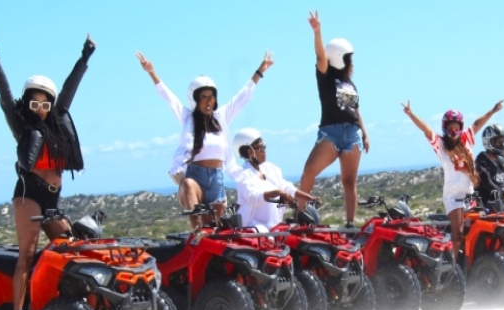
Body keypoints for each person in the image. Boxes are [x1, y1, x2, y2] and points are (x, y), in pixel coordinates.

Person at [0, 29, 95, 310]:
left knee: (70, 247)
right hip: (28, 195)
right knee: (27, 254)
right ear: (28, 104)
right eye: (35, 105)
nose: (41, 111)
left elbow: (71, 87)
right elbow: (5, 96)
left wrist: (85, 56)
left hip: (53, 201)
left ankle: (60, 303)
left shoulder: (58, 125)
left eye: (46, 105)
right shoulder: (22, 127)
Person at [136, 50, 273, 229]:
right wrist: (152, 72)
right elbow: (169, 97)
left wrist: (260, 70)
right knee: (189, 191)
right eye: (204, 97)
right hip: (196, 176)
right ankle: (196, 231)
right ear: (195, 99)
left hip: (216, 178)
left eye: (212, 97)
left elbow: (243, 96)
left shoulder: (221, 117)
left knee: (214, 230)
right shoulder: (187, 118)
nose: (209, 101)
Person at [401, 99, 504, 255]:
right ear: (445, 127)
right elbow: (426, 129)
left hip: (470, 197)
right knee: (458, 234)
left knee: (478, 230)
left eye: (457, 127)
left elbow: (477, 124)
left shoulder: (466, 141)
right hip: (453, 197)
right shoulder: (441, 145)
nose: (454, 131)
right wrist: (411, 114)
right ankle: (453, 268)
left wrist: (493, 110)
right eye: (451, 127)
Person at [298, 10, 369, 228]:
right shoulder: (327, 76)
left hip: (353, 134)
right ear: (340, 58)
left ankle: (349, 225)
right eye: (350, 59)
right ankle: (300, 218)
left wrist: (365, 134)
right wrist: (317, 32)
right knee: (309, 171)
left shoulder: (350, 83)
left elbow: (355, 109)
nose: (353, 63)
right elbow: (320, 56)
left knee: (349, 182)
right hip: (331, 133)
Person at [229, 128, 319, 231]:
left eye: (264, 146)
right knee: (270, 240)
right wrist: (278, 192)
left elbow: (286, 187)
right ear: (250, 152)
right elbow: (254, 197)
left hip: (274, 225)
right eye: (260, 148)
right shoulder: (243, 176)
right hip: (253, 226)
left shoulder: (270, 169)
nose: (264, 150)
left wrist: (309, 198)